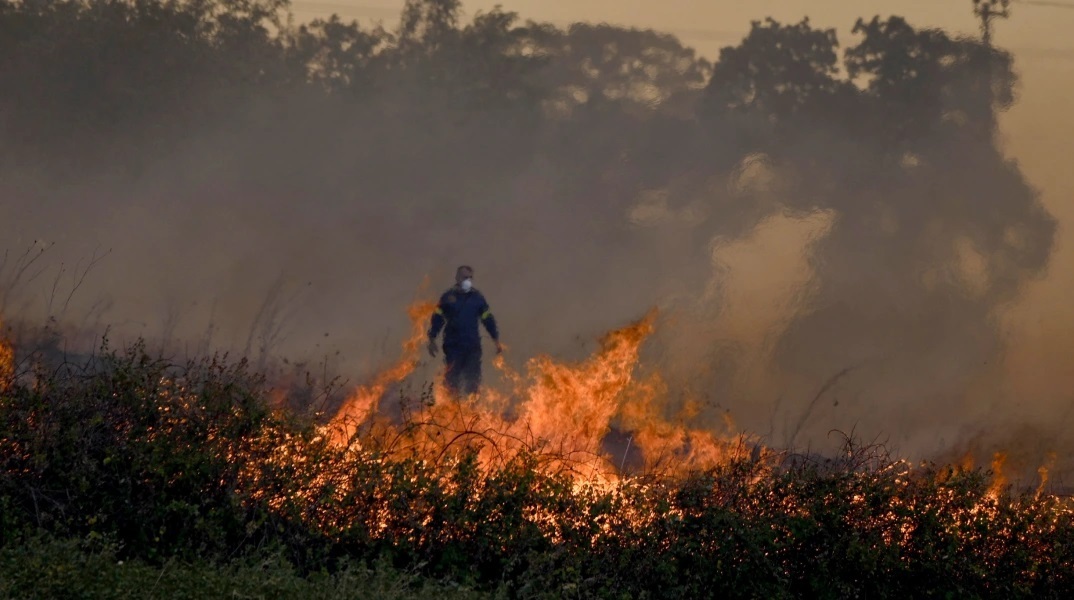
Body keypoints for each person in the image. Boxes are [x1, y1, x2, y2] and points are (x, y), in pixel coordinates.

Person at [427, 265, 503, 398]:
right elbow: (437, 319)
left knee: (473, 383)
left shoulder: (477, 298)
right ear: (457, 278)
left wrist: (495, 339)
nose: (467, 280)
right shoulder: (447, 297)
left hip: (472, 347)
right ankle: (452, 411)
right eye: (464, 277)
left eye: (470, 277)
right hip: (453, 347)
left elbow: (488, 319)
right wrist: (432, 338)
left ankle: (471, 413)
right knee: (452, 383)